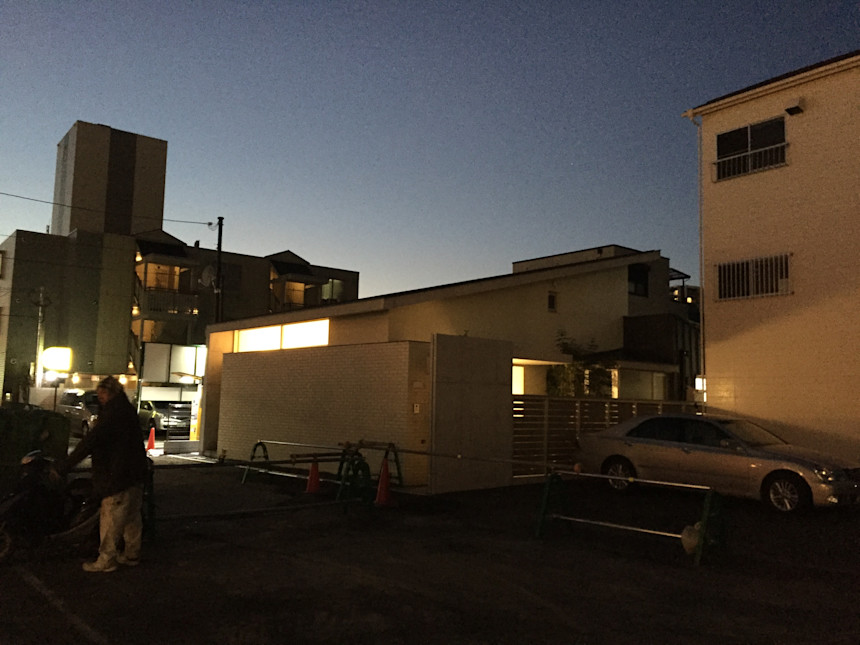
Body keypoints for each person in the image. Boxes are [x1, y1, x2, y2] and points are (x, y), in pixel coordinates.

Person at [59, 375, 149, 572]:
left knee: (111, 519)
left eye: (102, 392)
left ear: (111, 393)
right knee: (131, 516)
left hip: (116, 474)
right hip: (134, 473)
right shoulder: (126, 410)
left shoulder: (112, 414)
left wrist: (65, 466)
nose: (99, 396)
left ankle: (106, 560)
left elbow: (90, 442)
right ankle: (132, 554)